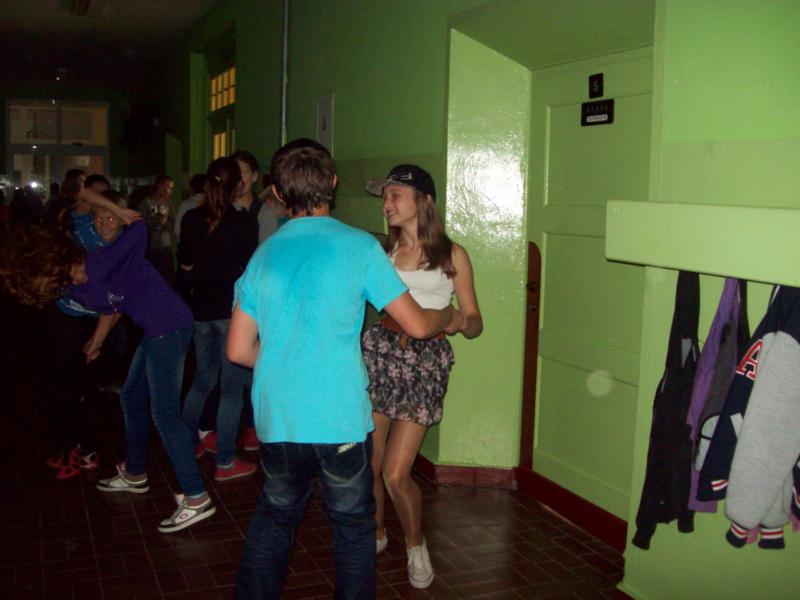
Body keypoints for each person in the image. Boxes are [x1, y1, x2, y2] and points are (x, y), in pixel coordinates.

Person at [229, 139, 462, 599]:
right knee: (353, 529)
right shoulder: (359, 247)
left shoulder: (263, 256)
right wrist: (449, 316)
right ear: (332, 183)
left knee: (274, 519)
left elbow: (238, 350)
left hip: (279, 416)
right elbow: (418, 324)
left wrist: (284, 360)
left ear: (276, 192)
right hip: (338, 418)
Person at [0, 188, 216, 533]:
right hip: (154, 329)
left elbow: (138, 227)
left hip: (171, 326)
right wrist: (98, 341)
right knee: (130, 398)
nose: (61, 287)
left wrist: (120, 211)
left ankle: (196, 496)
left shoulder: (103, 261)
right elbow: (114, 303)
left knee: (164, 414)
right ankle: (135, 474)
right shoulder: (75, 284)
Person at [362, 164, 483, 588]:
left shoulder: (452, 255)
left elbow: (475, 322)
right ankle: (376, 532)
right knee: (368, 464)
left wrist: (455, 319)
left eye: (396, 195)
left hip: (425, 362)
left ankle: (415, 544)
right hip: (380, 354)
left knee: (396, 473)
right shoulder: (382, 254)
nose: (387, 204)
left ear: (423, 201)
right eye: (385, 197)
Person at [179, 158, 258, 481]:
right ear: (237, 185)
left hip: (200, 311)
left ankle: (185, 446)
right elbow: (250, 269)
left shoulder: (192, 218)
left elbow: (185, 265)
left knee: (203, 380)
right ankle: (225, 462)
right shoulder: (241, 222)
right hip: (232, 313)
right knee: (231, 391)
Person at [140, 174, 176, 285]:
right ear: (159, 186)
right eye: (168, 187)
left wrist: (164, 222)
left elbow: (173, 222)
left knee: (167, 278)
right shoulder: (146, 202)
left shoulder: (168, 203)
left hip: (165, 245)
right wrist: (155, 223)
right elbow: (139, 223)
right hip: (150, 245)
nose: (170, 191)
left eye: (171, 188)